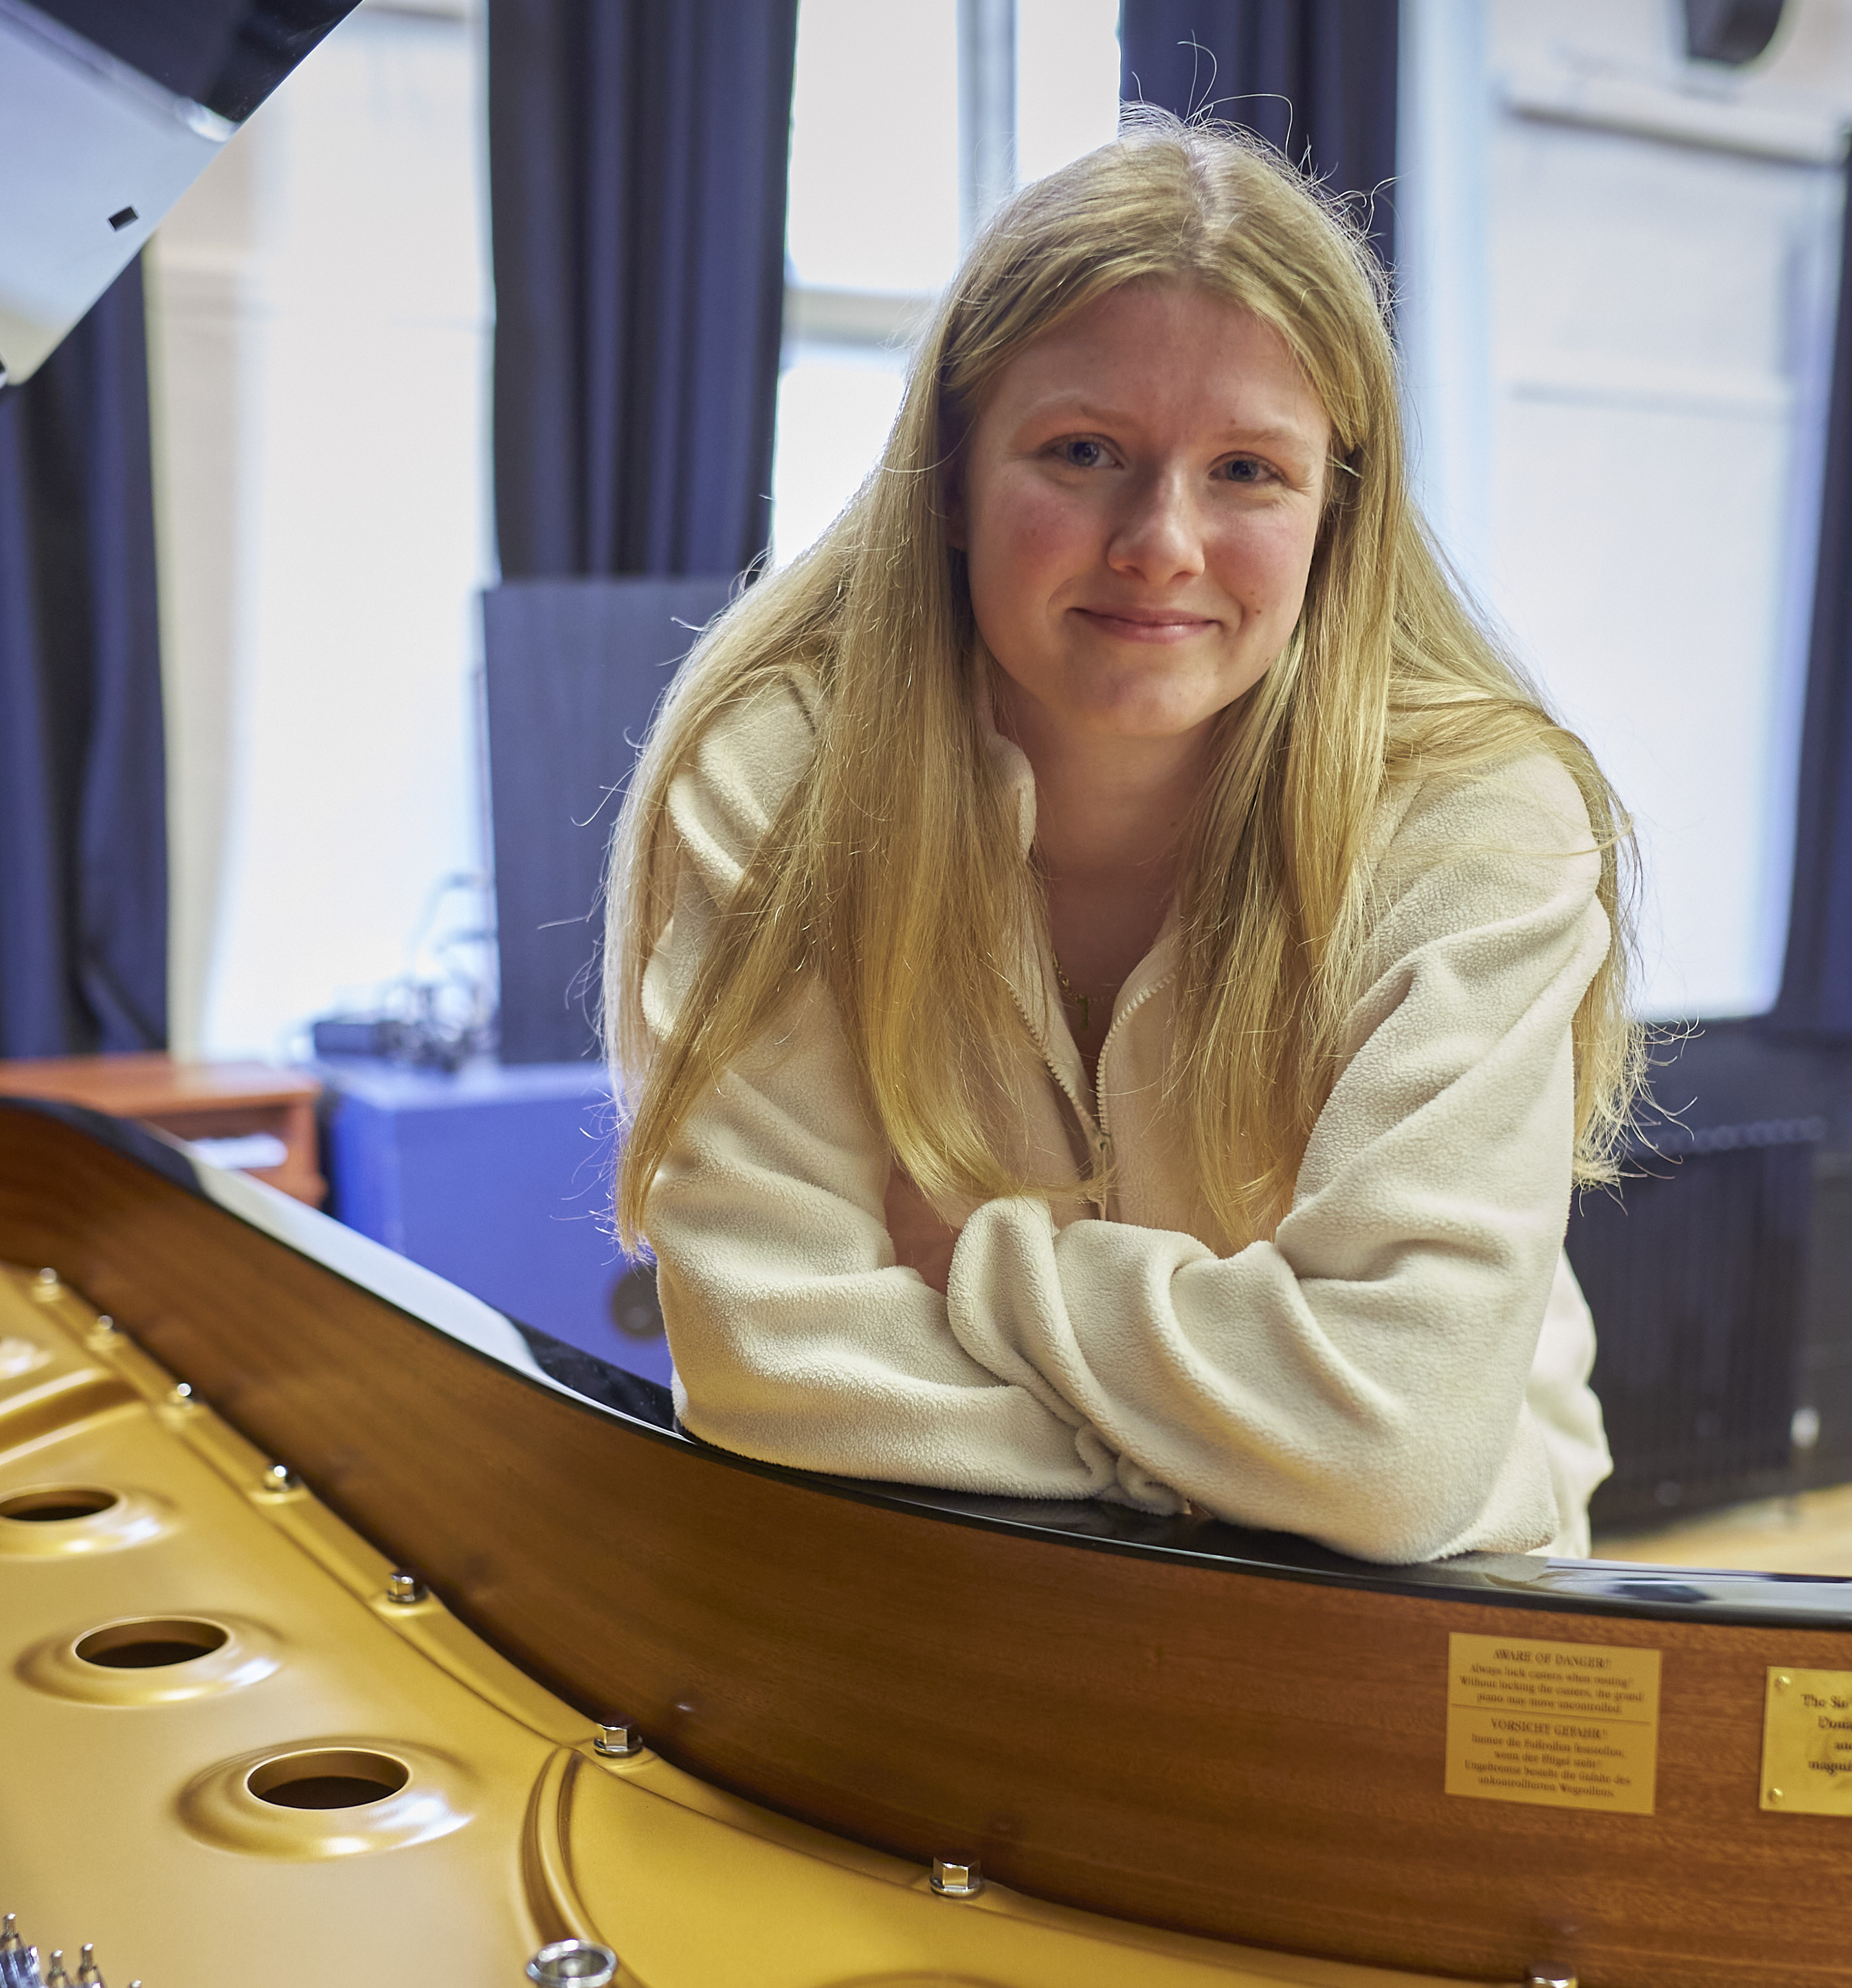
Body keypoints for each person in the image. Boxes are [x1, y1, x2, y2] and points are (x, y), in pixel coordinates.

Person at [601, 116, 1638, 1563]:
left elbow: (1401, 1442)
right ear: (955, 476)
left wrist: (985, 1269)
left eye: (1248, 472)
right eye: (1086, 451)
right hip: (960, 1609)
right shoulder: (781, 775)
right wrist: (1272, 1453)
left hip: (1416, 1640)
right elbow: (767, 1372)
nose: (1162, 540)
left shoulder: (1483, 815)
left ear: (1339, 510)